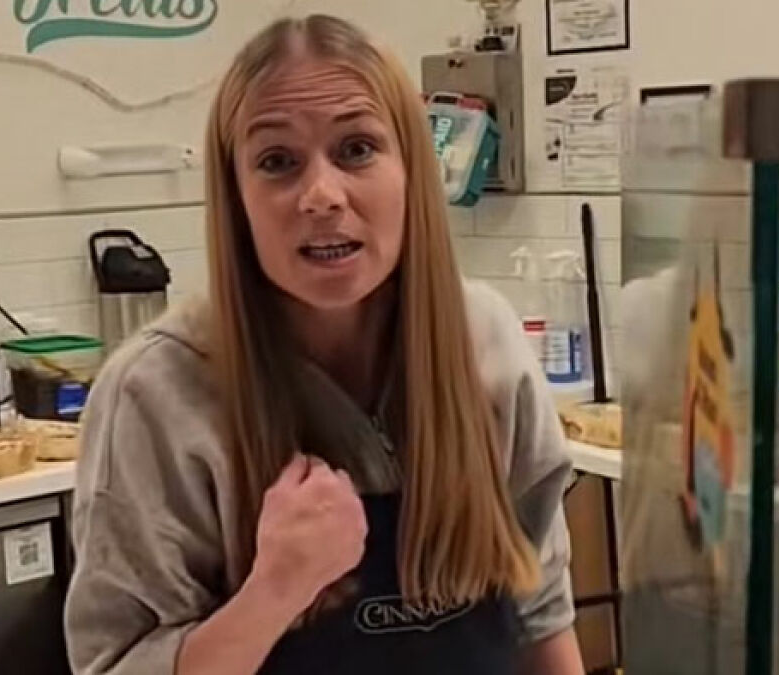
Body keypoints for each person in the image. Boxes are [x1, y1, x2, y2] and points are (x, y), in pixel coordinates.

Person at [64, 14, 584, 675]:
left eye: (356, 149)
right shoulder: (157, 395)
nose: (321, 195)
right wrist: (273, 591)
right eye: (277, 162)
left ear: (412, 169)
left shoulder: (487, 343)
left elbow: (542, 611)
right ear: (236, 196)